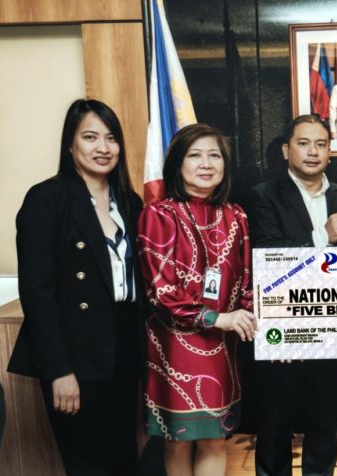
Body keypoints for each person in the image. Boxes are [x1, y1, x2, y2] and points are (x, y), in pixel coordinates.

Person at [8, 98, 143, 475]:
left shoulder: (130, 203)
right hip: (75, 353)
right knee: (87, 464)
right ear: (71, 145)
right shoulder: (47, 199)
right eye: (90, 137)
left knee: (123, 459)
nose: (103, 148)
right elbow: (38, 294)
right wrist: (59, 371)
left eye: (111, 138)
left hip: (124, 347)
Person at [138, 123, 257, 476]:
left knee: (215, 438)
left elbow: (247, 280)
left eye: (214, 155)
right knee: (180, 438)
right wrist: (217, 318)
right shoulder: (159, 214)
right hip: (174, 346)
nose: (206, 163)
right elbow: (161, 291)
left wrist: (250, 317)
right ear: (178, 163)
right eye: (195, 155)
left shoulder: (236, 215)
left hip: (223, 346)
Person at [247, 114, 337, 476]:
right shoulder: (262, 196)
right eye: (303, 143)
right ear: (285, 150)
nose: (313, 152)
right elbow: (265, 255)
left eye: (321, 144)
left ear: (330, 152)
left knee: (326, 426)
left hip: (334, 328)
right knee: (275, 426)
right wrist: (322, 236)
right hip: (283, 329)